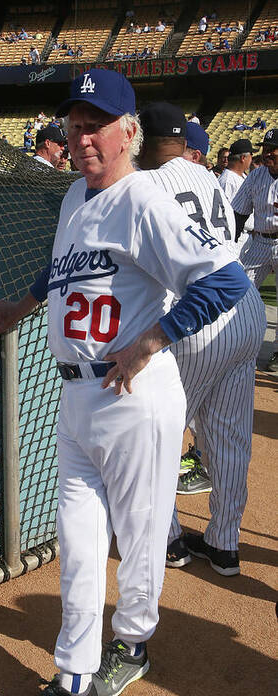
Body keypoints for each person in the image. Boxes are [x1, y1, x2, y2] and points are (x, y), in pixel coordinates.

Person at [0, 70, 250, 696]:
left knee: (140, 535)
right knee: (78, 544)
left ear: (128, 131)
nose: (82, 137)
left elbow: (225, 280)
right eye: (74, 125)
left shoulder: (144, 199)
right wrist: (25, 302)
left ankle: (131, 643)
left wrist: (154, 338)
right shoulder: (76, 192)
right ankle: (74, 683)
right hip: (77, 398)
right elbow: (62, 264)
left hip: (132, 396)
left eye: (96, 123)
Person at [137, 103, 266, 575]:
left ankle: (169, 540)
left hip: (198, 316)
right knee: (230, 435)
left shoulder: (144, 183)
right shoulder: (207, 176)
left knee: (164, 431)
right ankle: (225, 544)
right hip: (247, 312)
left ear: (143, 140)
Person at [232, 128, 278, 372]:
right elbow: (239, 212)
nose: (267, 153)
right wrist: (231, 240)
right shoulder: (256, 176)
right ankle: (238, 341)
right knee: (241, 291)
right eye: (265, 148)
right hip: (259, 241)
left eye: (273, 149)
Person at [218, 139, 255, 252]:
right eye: (251, 155)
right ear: (243, 158)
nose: (251, 159)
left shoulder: (241, 176)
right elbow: (230, 215)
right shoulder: (227, 180)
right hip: (237, 237)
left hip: (247, 236)